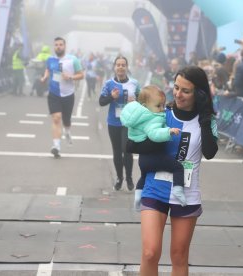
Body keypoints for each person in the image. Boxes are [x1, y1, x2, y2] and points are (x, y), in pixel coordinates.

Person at [139, 66, 218, 276]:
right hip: (155, 187)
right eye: (176, 88)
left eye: (186, 90)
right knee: (150, 252)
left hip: (186, 193)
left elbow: (210, 152)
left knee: (179, 256)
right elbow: (141, 148)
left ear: (199, 93)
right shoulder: (161, 114)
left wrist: (204, 118)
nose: (178, 94)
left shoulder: (207, 121)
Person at [119, 85, 186, 209]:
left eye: (163, 105)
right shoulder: (152, 118)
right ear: (145, 107)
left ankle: (138, 196)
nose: (162, 109)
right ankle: (178, 190)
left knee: (144, 176)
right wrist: (168, 131)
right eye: (158, 106)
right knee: (178, 168)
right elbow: (154, 134)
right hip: (154, 157)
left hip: (143, 160)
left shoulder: (139, 117)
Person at [99, 55, 141, 191]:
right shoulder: (109, 83)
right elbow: (101, 101)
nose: (121, 67)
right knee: (117, 151)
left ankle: (129, 177)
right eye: (118, 65)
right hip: (113, 122)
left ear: (127, 67)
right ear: (114, 67)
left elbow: (142, 101)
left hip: (128, 122)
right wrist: (112, 97)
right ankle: (119, 177)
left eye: (123, 65)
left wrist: (134, 101)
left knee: (126, 149)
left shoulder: (134, 83)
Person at [40, 37, 84, 158]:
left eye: (60, 44)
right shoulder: (50, 59)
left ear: (64, 46)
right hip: (54, 93)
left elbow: (81, 75)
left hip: (68, 94)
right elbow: (48, 70)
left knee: (66, 120)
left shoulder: (72, 59)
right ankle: (56, 146)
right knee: (56, 118)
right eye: (56, 45)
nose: (58, 46)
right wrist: (44, 77)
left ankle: (68, 132)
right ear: (54, 47)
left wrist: (70, 77)